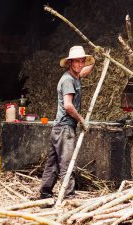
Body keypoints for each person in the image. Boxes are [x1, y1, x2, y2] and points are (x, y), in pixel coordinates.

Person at [40, 46, 95, 199]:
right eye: (77, 61)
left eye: (83, 61)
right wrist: (82, 120)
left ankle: (45, 193)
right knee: (67, 164)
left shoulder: (75, 76)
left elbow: (84, 72)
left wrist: (95, 59)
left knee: (52, 164)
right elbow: (68, 106)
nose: (80, 64)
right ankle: (69, 196)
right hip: (65, 129)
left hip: (59, 128)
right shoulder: (68, 81)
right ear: (70, 62)